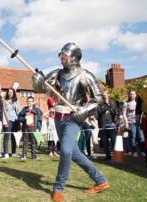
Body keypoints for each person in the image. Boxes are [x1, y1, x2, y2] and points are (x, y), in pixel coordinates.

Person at [33, 42, 109, 202]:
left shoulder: (85, 75)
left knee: (66, 151)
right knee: (74, 153)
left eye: (64, 55)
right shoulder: (57, 73)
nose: (61, 58)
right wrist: (37, 80)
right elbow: (40, 89)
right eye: (61, 55)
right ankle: (101, 180)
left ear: (74, 57)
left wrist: (85, 110)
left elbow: (99, 99)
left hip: (74, 118)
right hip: (58, 118)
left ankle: (57, 188)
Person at [123, 90, 146, 157]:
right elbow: (124, 114)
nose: (132, 95)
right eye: (131, 94)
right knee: (133, 136)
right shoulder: (126, 103)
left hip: (139, 122)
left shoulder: (139, 103)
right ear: (129, 95)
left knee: (141, 137)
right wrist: (126, 123)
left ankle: (143, 151)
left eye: (133, 94)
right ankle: (135, 151)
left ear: (136, 95)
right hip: (131, 122)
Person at [97, 90, 118, 161]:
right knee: (105, 141)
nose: (104, 96)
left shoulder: (113, 102)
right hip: (103, 124)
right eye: (103, 95)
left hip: (111, 123)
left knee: (114, 140)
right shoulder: (100, 103)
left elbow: (115, 112)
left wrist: (115, 121)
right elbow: (100, 112)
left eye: (105, 95)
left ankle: (116, 155)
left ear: (108, 95)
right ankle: (108, 156)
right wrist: (105, 105)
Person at [2, 88, 20, 158]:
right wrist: (5, 121)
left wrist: (19, 120)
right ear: (7, 93)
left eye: (11, 92)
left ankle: (13, 152)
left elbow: (18, 111)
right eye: (9, 92)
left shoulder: (16, 101)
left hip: (15, 120)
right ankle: (6, 153)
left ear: (14, 93)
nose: (10, 93)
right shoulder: (5, 101)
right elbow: (3, 112)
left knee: (14, 136)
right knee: (6, 136)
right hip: (8, 120)